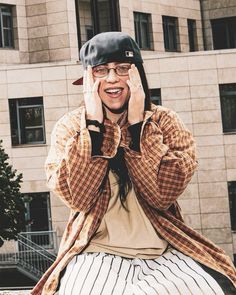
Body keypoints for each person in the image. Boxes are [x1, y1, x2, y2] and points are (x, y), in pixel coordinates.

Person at [31, 32, 236, 295]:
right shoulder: (70, 127)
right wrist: (94, 129)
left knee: (211, 288)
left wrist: (139, 127)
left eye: (123, 68)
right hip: (96, 250)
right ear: (88, 80)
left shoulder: (165, 122)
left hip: (163, 249)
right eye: (101, 70)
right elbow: (79, 200)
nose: (112, 78)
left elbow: (161, 196)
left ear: (138, 74)